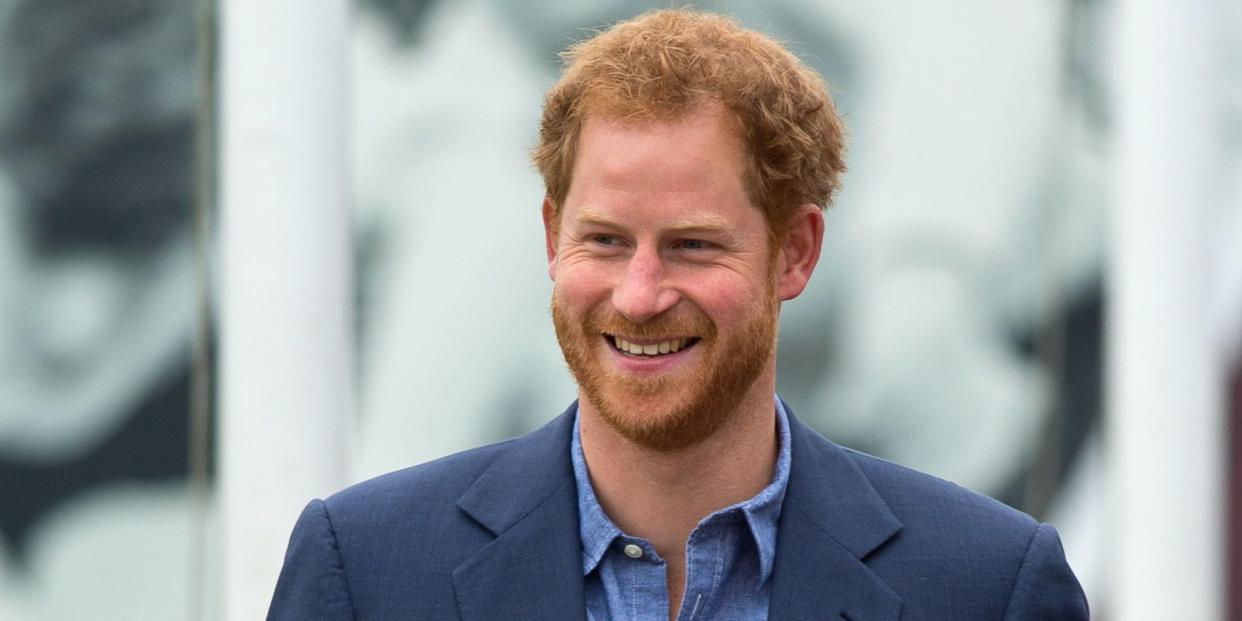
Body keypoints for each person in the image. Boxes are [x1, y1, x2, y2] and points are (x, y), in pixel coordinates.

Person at [267, 9, 1088, 620]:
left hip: (1000, 312)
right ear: (551, 237)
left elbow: (977, 36)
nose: (640, 291)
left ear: (796, 250)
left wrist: (930, 255)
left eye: (693, 245)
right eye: (605, 240)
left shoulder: (991, 584)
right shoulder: (367, 569)